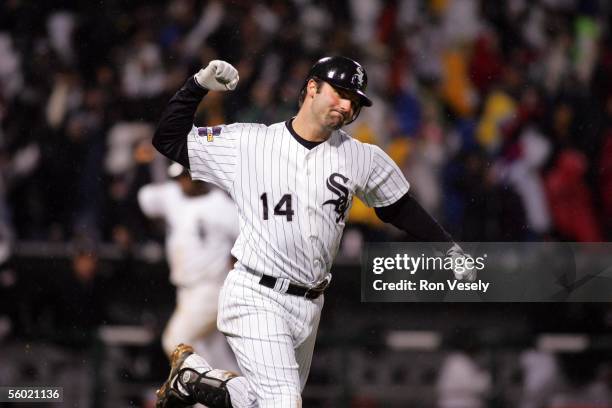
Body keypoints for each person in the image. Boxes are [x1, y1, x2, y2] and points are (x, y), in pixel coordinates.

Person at [151, 56, 476, 408]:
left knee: (264, 402)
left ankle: (192, 380)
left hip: (310, 304)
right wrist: (197, 86)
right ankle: (193, 379)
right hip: (255, 292)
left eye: (355, 100)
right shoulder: (249, 143)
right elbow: (168, 140)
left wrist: (448, 249)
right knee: (284, 401)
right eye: (339, 93)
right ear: (312, 87)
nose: (347, 105)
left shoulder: (361, 157)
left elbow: (398, 207)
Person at [138, 162, 239, 372]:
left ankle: (208, 395)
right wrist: (145, 166)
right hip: (186, 291)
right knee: (212, 354)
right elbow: (145, 198)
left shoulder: (222, 205)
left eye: (186, 176)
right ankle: (241, 399)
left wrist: (235, 262)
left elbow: (249, 239)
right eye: (179, 178)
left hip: (211, 288)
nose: (182, 182)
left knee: (176, 341)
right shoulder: (174, 196)